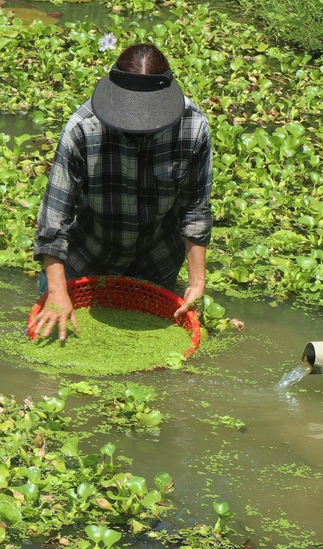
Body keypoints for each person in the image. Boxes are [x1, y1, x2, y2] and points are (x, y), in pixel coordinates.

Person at [32, 43, 213, 340]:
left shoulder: (192, 127)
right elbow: (54, 217)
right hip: (87, 256)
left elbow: (195, 208)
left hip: (158, 260)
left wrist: (197, 282)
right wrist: (56, 290)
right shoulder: (82, 128)